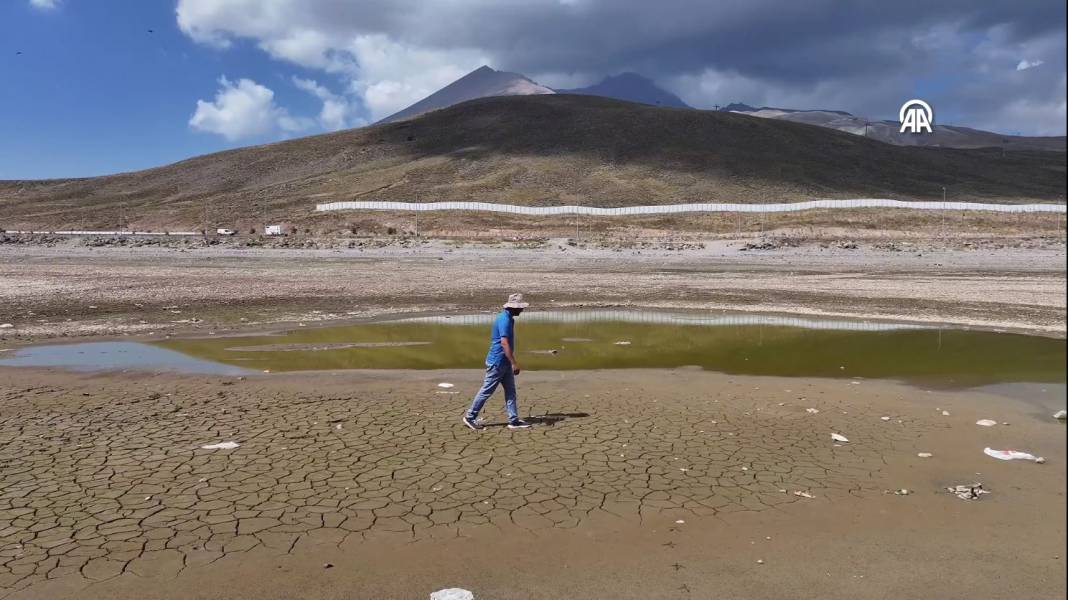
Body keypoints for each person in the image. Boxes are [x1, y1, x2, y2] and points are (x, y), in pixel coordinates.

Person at [462, 293, 532, 430]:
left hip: (503, 362)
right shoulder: (505, 319)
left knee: (511, 391)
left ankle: (513, 420)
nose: (522, 310)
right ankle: (470, 417)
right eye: (520, 308)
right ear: (513, 308)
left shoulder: (509, 318)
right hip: (497, 362)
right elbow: (504, 343)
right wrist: (514, 363)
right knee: (486, 390)